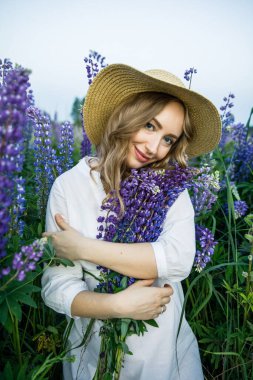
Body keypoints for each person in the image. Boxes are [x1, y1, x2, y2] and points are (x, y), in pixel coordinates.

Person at [41, 64, 221, 380]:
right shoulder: (69, 186)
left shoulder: (168, 184)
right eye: (150, 126)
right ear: (125, 114)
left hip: (165, 357)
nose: (154, 148)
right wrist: (118, 306)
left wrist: (84, 247)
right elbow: (57, 287)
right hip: (92, 351)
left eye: (168, 139)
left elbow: (177, 261)